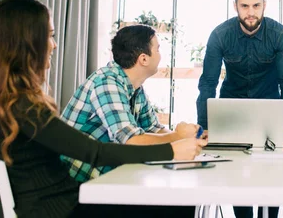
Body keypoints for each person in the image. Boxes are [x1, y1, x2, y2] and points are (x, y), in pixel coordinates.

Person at [0, 0, 206, 218]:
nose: (53, 45)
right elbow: (94, 152)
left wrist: (174, 144)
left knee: (175, 202)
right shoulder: (23, 106)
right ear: (27, 43)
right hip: (64, 210)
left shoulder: (8, 100)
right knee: (178, 203)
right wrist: (171, 151)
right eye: (50, 36)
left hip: (69, 203)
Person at [196, 0, 283, 218]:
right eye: (245, 6)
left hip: (269, 110)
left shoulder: (280, 35)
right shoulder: (220, 35)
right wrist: (206, 126)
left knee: (273, 176)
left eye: (256, 5)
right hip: (232, 110)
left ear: (265, 5)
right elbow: (208, 84)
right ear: (235, 6)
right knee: (236, 175)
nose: (251, 12)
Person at [61, 24, 200, 182]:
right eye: (158, 49)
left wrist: (190, 137)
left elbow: (154, 129)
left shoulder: (135, 88)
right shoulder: (107, 82)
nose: (161, 56)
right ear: (144, 59)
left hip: (102, 177)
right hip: (73, 183)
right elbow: (131, 141)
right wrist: (177, 136)